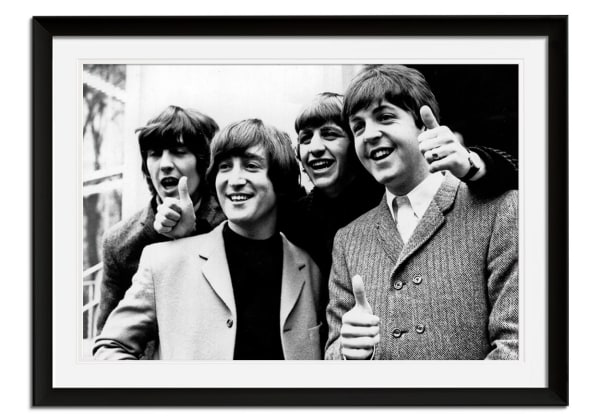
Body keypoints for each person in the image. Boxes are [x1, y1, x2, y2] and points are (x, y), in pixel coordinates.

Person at [324, 65, 518, 360]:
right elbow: (333, 352)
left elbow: (517, 347)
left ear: (426, 127)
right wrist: (346, 353)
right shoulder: (347, 241)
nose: (369, 135)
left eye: (385, 117)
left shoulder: (499, 209)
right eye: (358, 127)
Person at [94, 119, 322, 360]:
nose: (234, 180)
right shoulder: (162, 261)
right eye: (224, 167)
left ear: (280, 180)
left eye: (251, 166)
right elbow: (109, 348)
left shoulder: (311, 271)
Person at [96, 105, 226, 333]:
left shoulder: (232, 223)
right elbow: (109, 337)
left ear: (204, 161)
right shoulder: (119, 243)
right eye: (155, 154)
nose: (165, 164)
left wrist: (189, 238)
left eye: (179, 151)